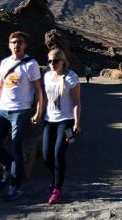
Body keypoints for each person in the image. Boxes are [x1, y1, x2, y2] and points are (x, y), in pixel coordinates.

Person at [0, 31, 44, 201]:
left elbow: (38, 90)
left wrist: (39, 111)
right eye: (13, 42)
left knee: (16, 147)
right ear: (9, 45)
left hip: (21, 110)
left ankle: (16, 186)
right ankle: (9, 168)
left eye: (20, 42)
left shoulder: (31, 64)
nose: (16, 45)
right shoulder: (5, 62)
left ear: (25, 45)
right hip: (2, 109)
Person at [42, 48, 81, 204]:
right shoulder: (46, 76)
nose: (52, 63)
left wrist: (77, 122)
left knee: (58, 154)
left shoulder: (71, 77)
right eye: (50, 61)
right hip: (49, 120)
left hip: (66, 121)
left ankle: (57, 188)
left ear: (63, 61)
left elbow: (77, 102)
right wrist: (39, 114)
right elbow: (44, 98)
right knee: (46, 156)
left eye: (55, 60)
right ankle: (56, 177)